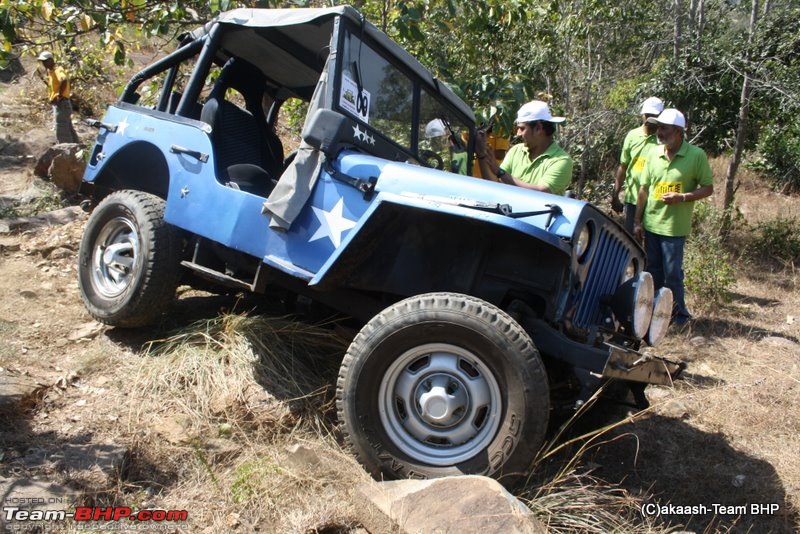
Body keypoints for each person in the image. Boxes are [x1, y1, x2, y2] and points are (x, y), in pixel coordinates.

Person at [634, 108, 713, 326]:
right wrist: (637, 221)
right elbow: (644, 189)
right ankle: (653, 314)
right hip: (651, 224)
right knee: (652, 272)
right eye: (658, 128)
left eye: (664, 128)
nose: (659, 132)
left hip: (674, 228)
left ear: (678, 131)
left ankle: (679, 316)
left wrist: (683, 197)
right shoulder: (653, 153)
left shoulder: (696, 155)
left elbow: (708, 188)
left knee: (673, 274)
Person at [475, 100, 573, 196]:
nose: (518, 134)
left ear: (538, 128)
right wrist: (482, 155)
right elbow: (497, 185)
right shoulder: (516, 151)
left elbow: (541, 192)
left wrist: (498, 171)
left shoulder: (561, 160)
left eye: (522, 128)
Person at [612, 96, 665, 234]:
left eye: (654, 115)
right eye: (648, 115)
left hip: (655, 201)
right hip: (633, 198)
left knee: (651, 243)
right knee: (631, 240)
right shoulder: (632, 135)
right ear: (642, 114)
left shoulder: (664, 139)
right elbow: (623, 167)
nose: (650, 119)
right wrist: (615, 195)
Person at [37, 50, 80, 144]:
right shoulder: (51, 72)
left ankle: (65, 151)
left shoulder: (57, 70)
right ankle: (77, 148)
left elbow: (64, 80)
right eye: (43, 61)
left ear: (51, 60)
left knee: (61, 129)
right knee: (68, 127)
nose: (44, 63)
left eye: (46, 61)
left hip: (62, 103)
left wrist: (59, 96)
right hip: (62, 104)